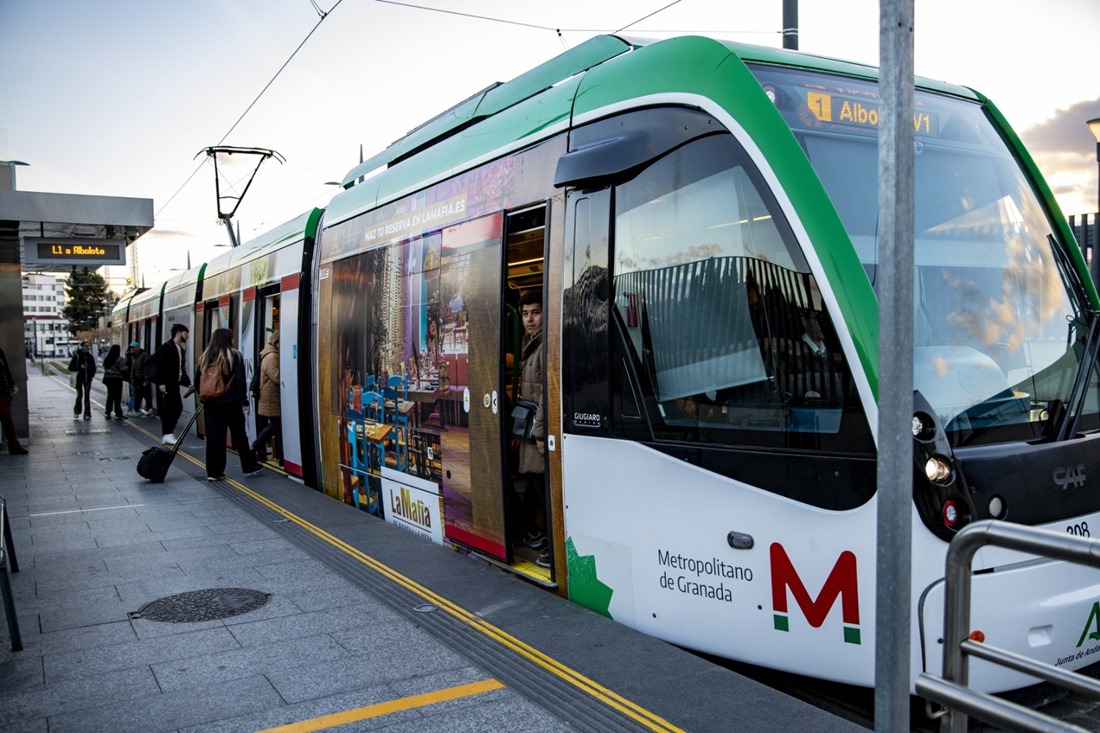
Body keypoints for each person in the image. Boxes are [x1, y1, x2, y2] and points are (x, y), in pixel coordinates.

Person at [195, 328, 264, 481]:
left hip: (211, 404)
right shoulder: (234, 355)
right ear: (228, 339)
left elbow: (197, 380)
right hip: (231, 403)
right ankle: (249, 466)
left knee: (214, 438)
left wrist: (205, 397)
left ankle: (214, 472)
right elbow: (240, 381)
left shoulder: (205, 357)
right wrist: (244, 401)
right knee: (240, 436)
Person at [516, 290, 550, 568]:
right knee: (533, 486)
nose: (530, 319)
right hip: (530, 431)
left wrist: (540, 434)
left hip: (537, 434)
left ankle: (551, 549)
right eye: (525, 314)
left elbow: (546, 394)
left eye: (535, 313)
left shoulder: (544, 346)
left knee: (542, 489)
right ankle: (534, 535)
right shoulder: (531, 344)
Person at [152, 324, 191, 444]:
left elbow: (180, 369)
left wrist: (188, 383)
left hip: (174, 384)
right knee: (169, 409)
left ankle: (168, 433)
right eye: (186, 333)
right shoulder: (166, 347)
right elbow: (159, 366)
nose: (187, 336)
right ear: (178, 333)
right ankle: (167, 433)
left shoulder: (180, 349)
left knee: (177, 408)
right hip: (166, 384)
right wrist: (161, 383)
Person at [251, 330, 282, 464]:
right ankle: (256, 446)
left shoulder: (271, 354)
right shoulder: (272, 356)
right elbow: (276, 377)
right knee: (275, 425)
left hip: (272, 397)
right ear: (276, 341)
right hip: (272, 398)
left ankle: (281, 456)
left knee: (277, 426)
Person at [0, 346, 28, 454]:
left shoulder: (0, 352)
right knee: (7, 420)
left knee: (7, 420)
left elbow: (5, 370)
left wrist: (11, 384)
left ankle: (14, 446)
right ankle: (14, 446)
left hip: (2, 392)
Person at [68, 342, 96, 420]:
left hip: (88, 379)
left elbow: (94, 367)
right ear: (82, 347)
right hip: (79, 379)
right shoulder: (77, 356)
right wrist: (80, 367)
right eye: (86, 346)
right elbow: (70, 367)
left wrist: (91, 374)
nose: (88, 347)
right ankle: (77, 411)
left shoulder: (90, 357)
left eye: (88, 346)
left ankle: (87, 414)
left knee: (87, 396)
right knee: (79, 395)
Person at [101, 344, 126, 420]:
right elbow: (123, 369)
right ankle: (118, 413)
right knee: (117, 397)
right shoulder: (120, 359)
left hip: (108, 379)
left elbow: (105, 368)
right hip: (117, 379)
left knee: (110, 396)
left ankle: (108, 412)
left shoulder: (107, 359)